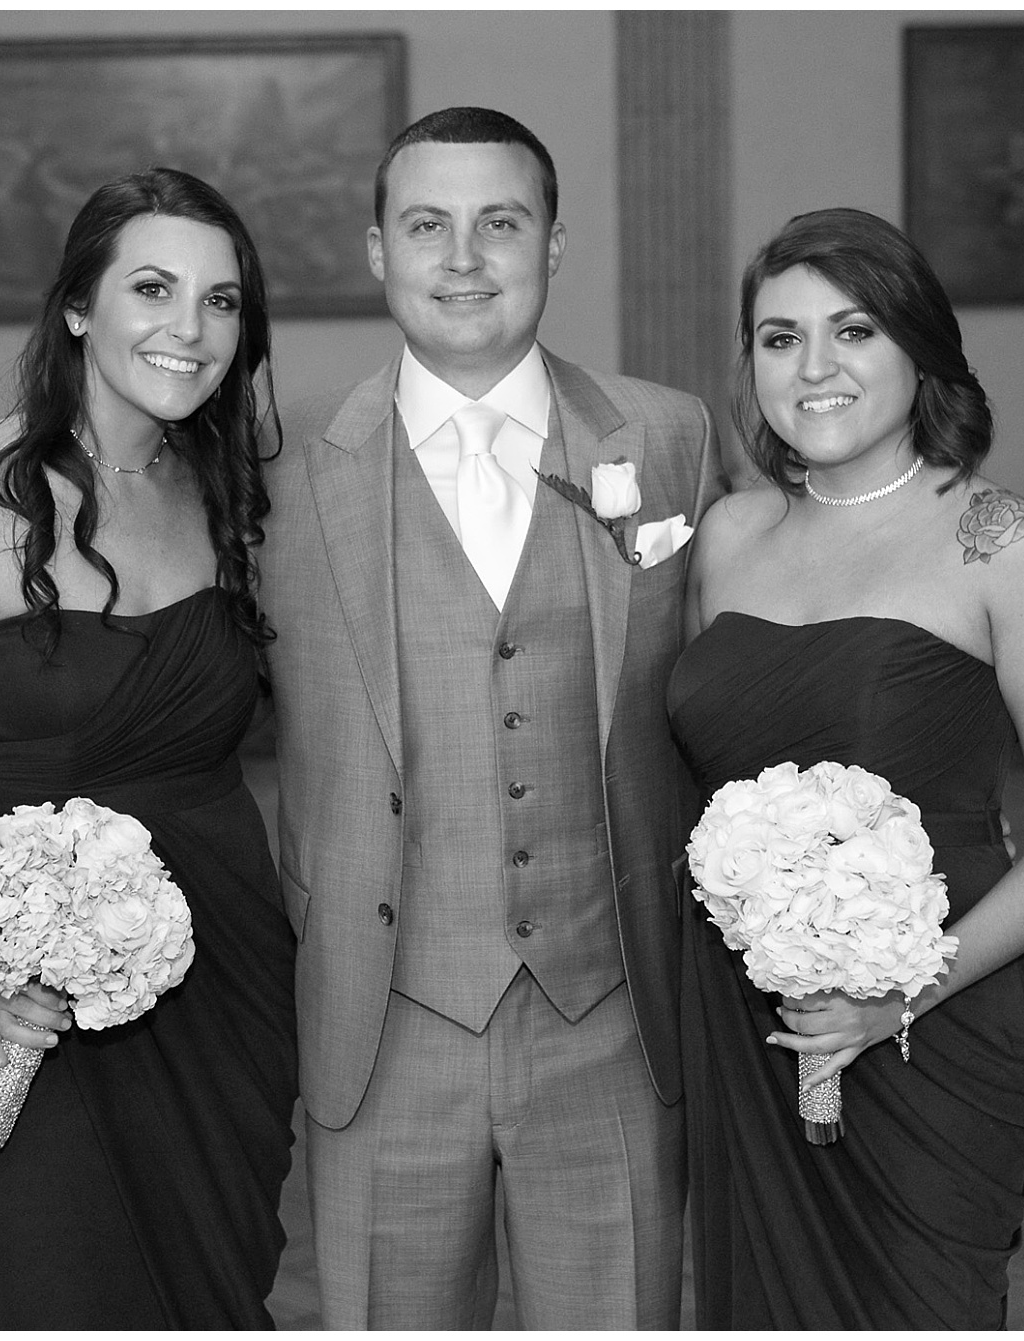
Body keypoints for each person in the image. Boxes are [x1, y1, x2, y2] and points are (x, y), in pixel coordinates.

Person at [259, 107, 726, 1328]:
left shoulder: (669, 439)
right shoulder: (276, 468)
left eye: (499, 223)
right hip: (380, 1022)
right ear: (376, 251)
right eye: (427, 225)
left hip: (613, 1014)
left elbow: (753, 680)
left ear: (554, 246)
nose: (463, 257)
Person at [0, 169, 297, 1328]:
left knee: (214, 1277)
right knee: (53, 1279)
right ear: (79, 308)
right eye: (152, 288)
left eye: (222, 301)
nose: (188, 330)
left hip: (223, 963)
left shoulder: (240, 497)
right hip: (20, 986)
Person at [669, 206, 1024, 1327]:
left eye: (852, 331)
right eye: (779, 339)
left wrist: (898, 995)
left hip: (932, 1019)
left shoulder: (1002, 543)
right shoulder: (728, 535)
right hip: (744, 1013)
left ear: (916, 349)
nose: (812, 368)